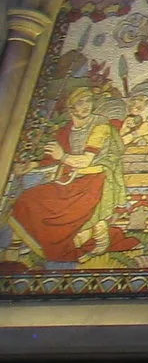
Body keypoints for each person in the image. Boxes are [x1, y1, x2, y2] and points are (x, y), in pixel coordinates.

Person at [7, 85, 137, 264]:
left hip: (93, 182)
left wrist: (63, 156)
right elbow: (51, 158)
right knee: (26, 199)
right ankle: (20, 245)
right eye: (80, 102)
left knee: (61, 215)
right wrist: (32, 164)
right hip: (69, 181)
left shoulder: (100, 126)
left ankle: (59, 244)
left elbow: (86, 161)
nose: (86, 105)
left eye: (89, 101)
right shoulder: (67, 130)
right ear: (71, 107)